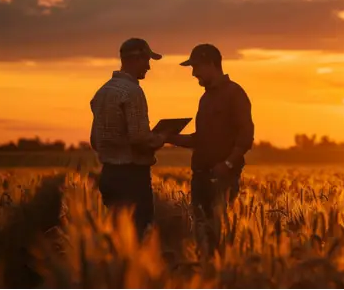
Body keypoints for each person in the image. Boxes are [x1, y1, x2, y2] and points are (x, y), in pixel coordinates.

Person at [166, 43, 254, 250]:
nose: (193, 73)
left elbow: (246, 135)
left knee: (220, 234)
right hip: (201, 177)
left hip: (221, 179)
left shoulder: (235, 93)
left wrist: (228, 163)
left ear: (211, 64)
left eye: (196, 67)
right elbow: (201, 139)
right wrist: (170, 137)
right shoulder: (205, 98)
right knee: (201, 234)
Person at [89, 37, 167, 241]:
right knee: (138, 236)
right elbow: (139, 137)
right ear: (136, 59)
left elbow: (95, 140)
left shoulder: (102, 92)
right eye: (147, 61)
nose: (149, 67)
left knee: (116, 237)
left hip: (108, 175)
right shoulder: (133, 92)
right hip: (132, 176)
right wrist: (160, 138)